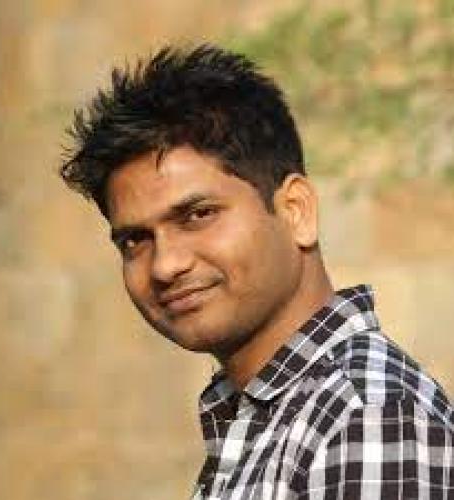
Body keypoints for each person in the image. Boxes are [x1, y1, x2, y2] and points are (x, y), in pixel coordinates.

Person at [60, 44, 454, 499]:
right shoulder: (267, 415)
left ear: (295, 210)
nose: (166, 265)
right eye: (135, 240)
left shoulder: (366, 417)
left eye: (198, 215)